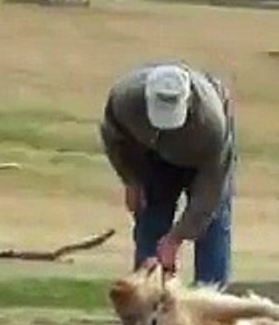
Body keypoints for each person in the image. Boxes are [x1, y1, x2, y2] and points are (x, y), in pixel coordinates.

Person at [98, 62, 236, 286]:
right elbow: (115, 140)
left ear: (188, 103)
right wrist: (131, 180)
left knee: (212, 225)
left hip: (202, 156)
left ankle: (211, 299)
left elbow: (209, 193)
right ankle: (145, 302)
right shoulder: (125, 100)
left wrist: (176, 238)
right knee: (151, 217)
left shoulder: (212, 124)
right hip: (152, 155)